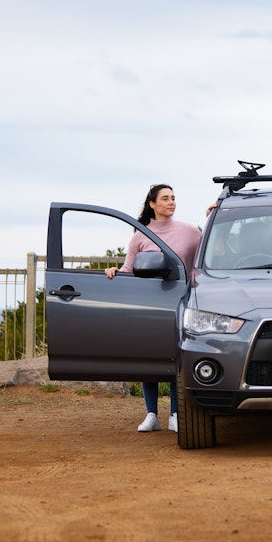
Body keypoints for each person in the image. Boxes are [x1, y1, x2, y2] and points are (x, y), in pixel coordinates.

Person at [105, 183, 205, 433]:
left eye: (173, 198)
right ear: (152, 204)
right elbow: (129, 270)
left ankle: (174, 413)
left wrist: (212, 216)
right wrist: (114, 271)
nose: (171, 202)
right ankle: (151, 414)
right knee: (147, 356)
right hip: (148, 305)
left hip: (179, 301)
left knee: (175, 357)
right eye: (165, 198)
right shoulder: (140, 236)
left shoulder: (191, 232)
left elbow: (208, 255)